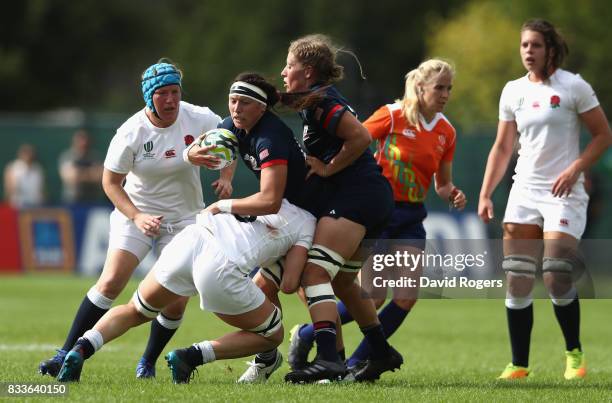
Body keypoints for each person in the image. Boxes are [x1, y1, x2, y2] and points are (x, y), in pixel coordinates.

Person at [39, 60, 230, 379]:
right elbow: (110, 183)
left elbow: (230, 140)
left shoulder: (199, 117)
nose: (170, 100)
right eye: (162, 94)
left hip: (184, 220)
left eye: (175, 92)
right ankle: (66, 353)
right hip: (136, 213)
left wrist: (225, 176)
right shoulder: (131, 132)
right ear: (148, 97)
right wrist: (138, 216)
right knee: (112, 281)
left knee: (175, 305)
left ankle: (148, 362)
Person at [287, 59, 467, 374]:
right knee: (374, 296)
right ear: (421, 87)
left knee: (406, 298)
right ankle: (309, 334)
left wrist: (452, 192)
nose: (445, 94)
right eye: (440, 87)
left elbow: (442, 183)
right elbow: (353, 140)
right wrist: (329, 170)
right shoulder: (393, 115)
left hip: (411, 216)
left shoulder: (446, 131)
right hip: (380, 211)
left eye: (449, 88)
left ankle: (358, 361)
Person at [478, 19, 612, 380]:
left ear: (550, 49)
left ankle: (574, 353)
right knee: (518, 278)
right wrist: (486, 192)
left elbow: (603, 134)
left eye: (535, 45)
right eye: (524, 45)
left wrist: (576, 168)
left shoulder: (573, 87)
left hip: (564, 194)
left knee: (555, 273)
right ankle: (519, 364)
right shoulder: (513, 91)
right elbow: (504, 146)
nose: (528, 52)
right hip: (524, 191)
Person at [55, 198, 316, 384]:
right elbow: (290, 283)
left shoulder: (271, 195)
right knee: (272, 335)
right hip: (222, 264)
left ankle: (81, 348)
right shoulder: (309, 222)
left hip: (192, 238)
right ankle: (189, 356)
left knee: (136, 309)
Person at [279, 34, 402, 383]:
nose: (284, 71)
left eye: (289, 66)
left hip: (357, 199)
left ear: (308, 70)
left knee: (314, 275)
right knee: (346, 282)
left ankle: (331, 360)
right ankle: (380, 352)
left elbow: (361, 137)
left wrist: (329, 168)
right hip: (373, 198)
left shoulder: (321, 103)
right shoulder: (312, 100)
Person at [58, 129, 104, 203]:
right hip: (71, 200)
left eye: (86, 143)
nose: (83, 144)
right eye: (80, 142)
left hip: (93, 200)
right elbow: (70, 177)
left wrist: (79, 173)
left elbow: (100, 176)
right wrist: (90, 173)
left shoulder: (95, 157)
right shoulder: (67, 156)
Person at [3, 143, 45, 208]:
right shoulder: (13, 168)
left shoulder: (38, 169)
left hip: (35, 205)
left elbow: (41, 189)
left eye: (30, 153)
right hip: (18, 205)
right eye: (25, 153)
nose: (28, 155)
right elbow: (9, 188)